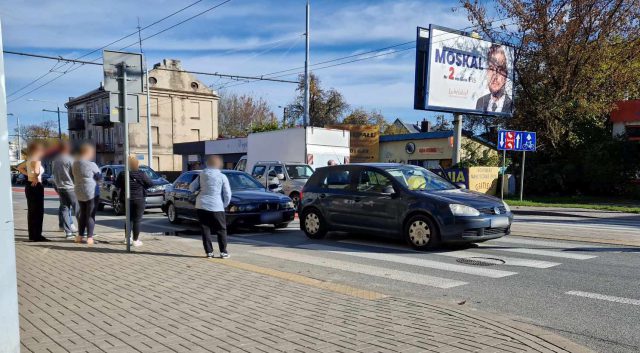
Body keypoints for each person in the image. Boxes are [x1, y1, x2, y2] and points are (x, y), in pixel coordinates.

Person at [189, 155, 231, 259]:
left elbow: (191, 187)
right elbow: (227, 193)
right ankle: (223, 252)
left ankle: (209, 252)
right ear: (218, 164)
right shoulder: (222, 176)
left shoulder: (201, 175)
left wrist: (198, 191)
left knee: (205, 229)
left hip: (201, 204)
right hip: (216, 205)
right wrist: (225, 204)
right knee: (221, 229)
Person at [115, 156, 152, 247]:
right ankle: (135, 240)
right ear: (137, 164)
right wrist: (143, 187)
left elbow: (117, 185)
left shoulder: (123, 174)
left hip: (127, 199)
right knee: (137, 220)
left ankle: (127, 239)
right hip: (139, 199)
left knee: (128, 219)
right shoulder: (141, 174)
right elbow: (150, 183)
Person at [17, 142, 48, 242]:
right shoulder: (36, 159)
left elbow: (19, 168)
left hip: (29, 186)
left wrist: (28, 175)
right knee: (38, 211)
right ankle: (37, 236)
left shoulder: (28, 159)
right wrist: (35, 176)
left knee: (31, 211)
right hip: (36, 186)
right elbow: (37, 170)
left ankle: (32, 235)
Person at [72, 143, 101, 245]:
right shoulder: (91, 164)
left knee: (82, 214)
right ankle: (89, 237)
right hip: (91, 192)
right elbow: (99, 177)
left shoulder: (75, 163)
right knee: (90, 215)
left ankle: (80, 236)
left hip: (79, 191)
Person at [475, 44, 513, 114]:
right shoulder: (480, 102)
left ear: (506, 74)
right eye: (491, 68)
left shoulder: (511, 105)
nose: (495, 76)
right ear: (486, 72)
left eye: (500, 69)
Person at [52, 141, 78, 238]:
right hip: (71, 187)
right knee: (78, 209)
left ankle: (68, 233)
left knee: (65, 209)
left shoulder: (55, 160)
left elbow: (54, 174)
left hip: (60, 187)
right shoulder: (70, 159)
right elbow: (74, 173)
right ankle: (83, 232)